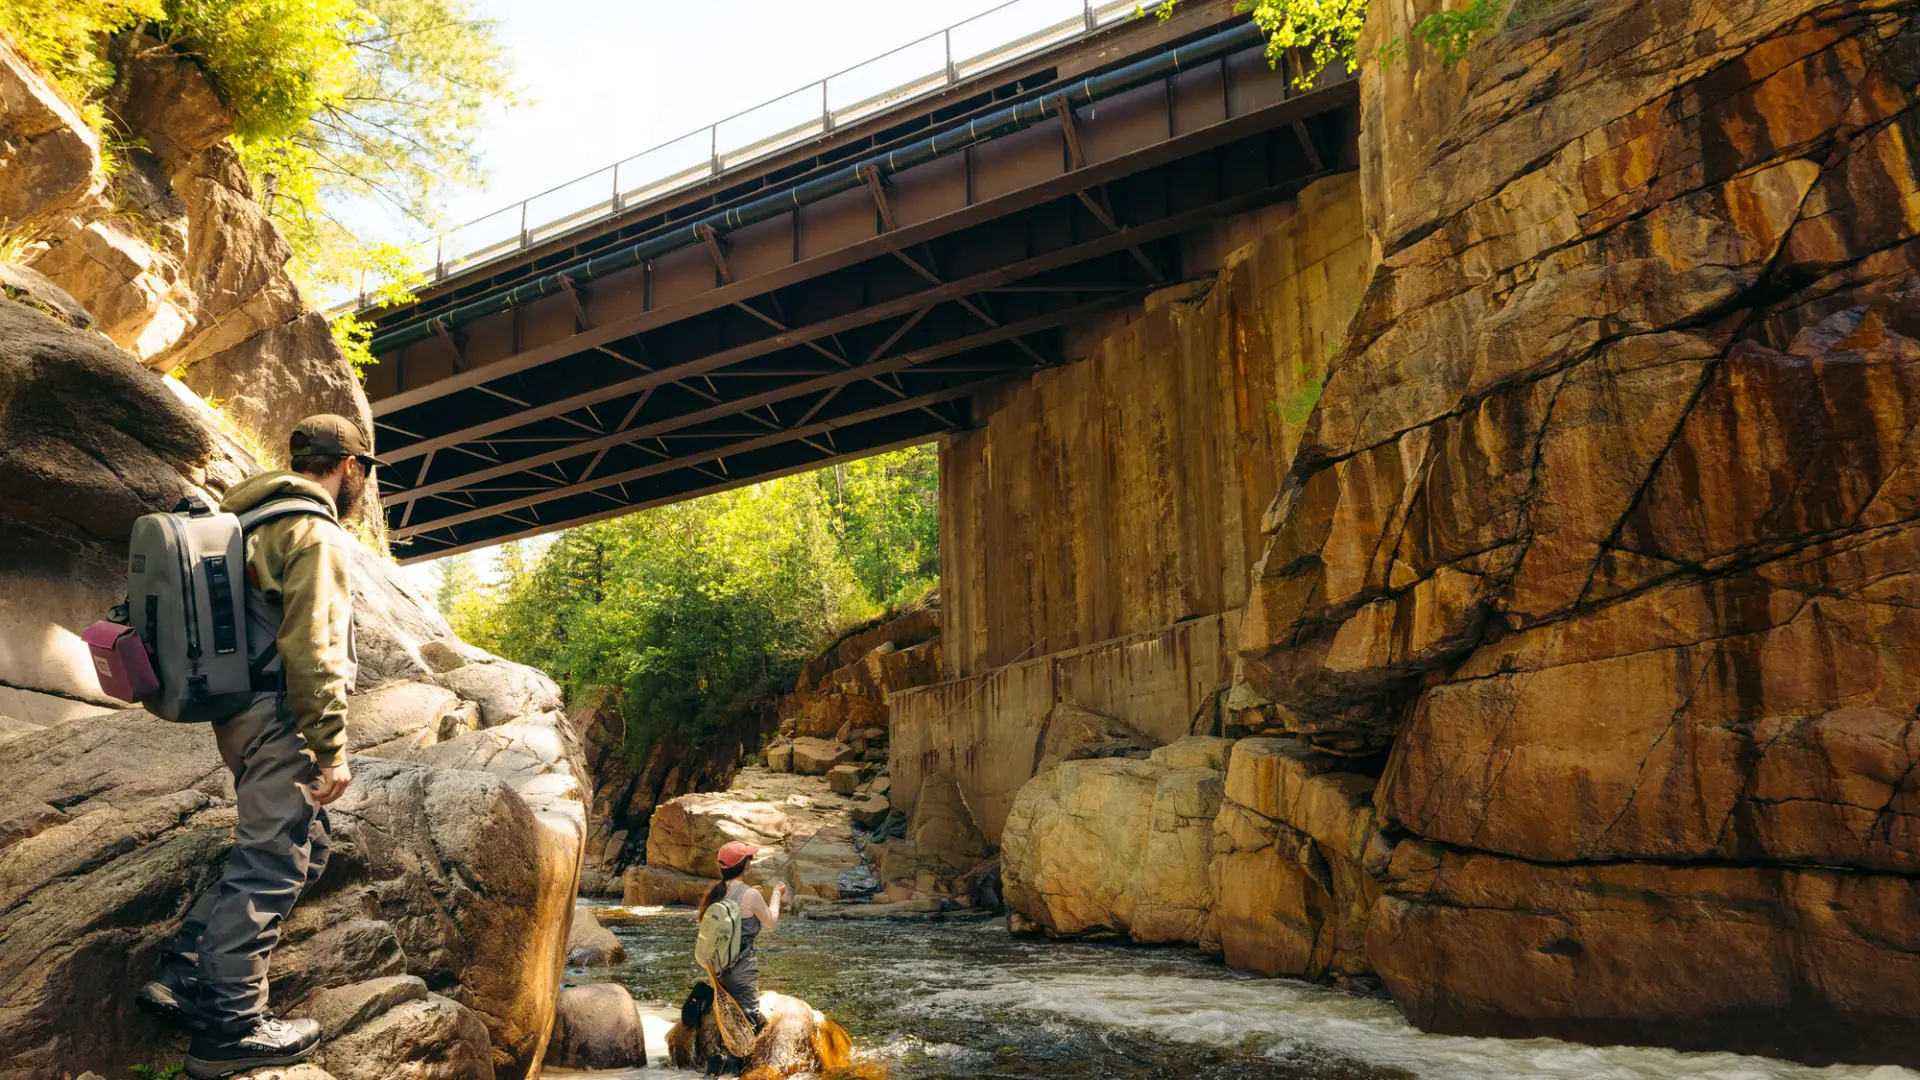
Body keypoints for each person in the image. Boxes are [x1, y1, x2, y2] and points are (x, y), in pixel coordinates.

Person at [135, 414, 383, 1079]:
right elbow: (315, 650)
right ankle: (230, 1028)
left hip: (236, 712)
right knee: (272, 863)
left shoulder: (245, 517)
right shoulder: (314, 533)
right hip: (280, 716)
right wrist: (330, 748)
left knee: (309, 841)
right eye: (364, 473)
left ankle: (188, 972)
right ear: (351, 469)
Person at [698, 841, 788, 1034]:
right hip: (742, 971)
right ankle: (728, 1063)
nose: (751, 861)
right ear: (744, 864)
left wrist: (751, 893)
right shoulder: (750, 895)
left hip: (717, 970)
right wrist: (776, 894)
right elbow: (770, 920)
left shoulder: (717, 892)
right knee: (748, 1026)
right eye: (749, 858)